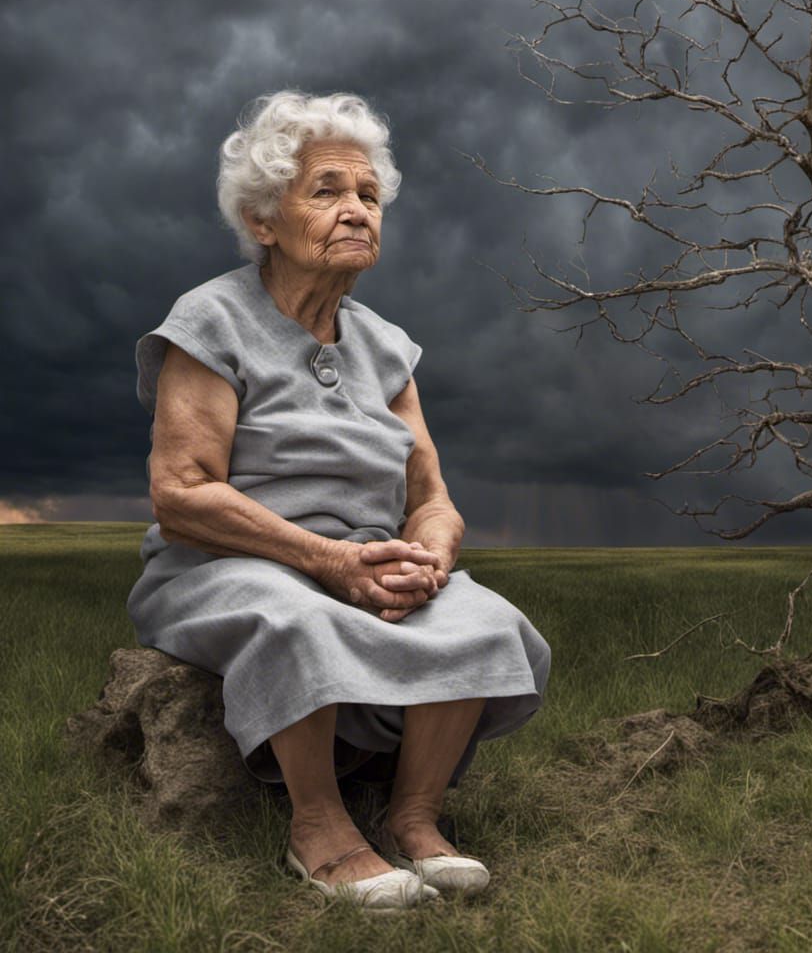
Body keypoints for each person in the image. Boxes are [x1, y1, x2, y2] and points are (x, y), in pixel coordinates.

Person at [127, 90, 551, 911]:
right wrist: (328, 560)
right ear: (262, 219)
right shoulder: (210, 321)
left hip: (361, 563)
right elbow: (181, 495)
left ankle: (413, 817)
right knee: (297, 617)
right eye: (327, 190)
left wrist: (428, 559)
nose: (357, 209)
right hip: (230, 565)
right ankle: (318, 828)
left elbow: (431, 496)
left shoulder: (388, 348)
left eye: (369, 195)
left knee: (482, 618)